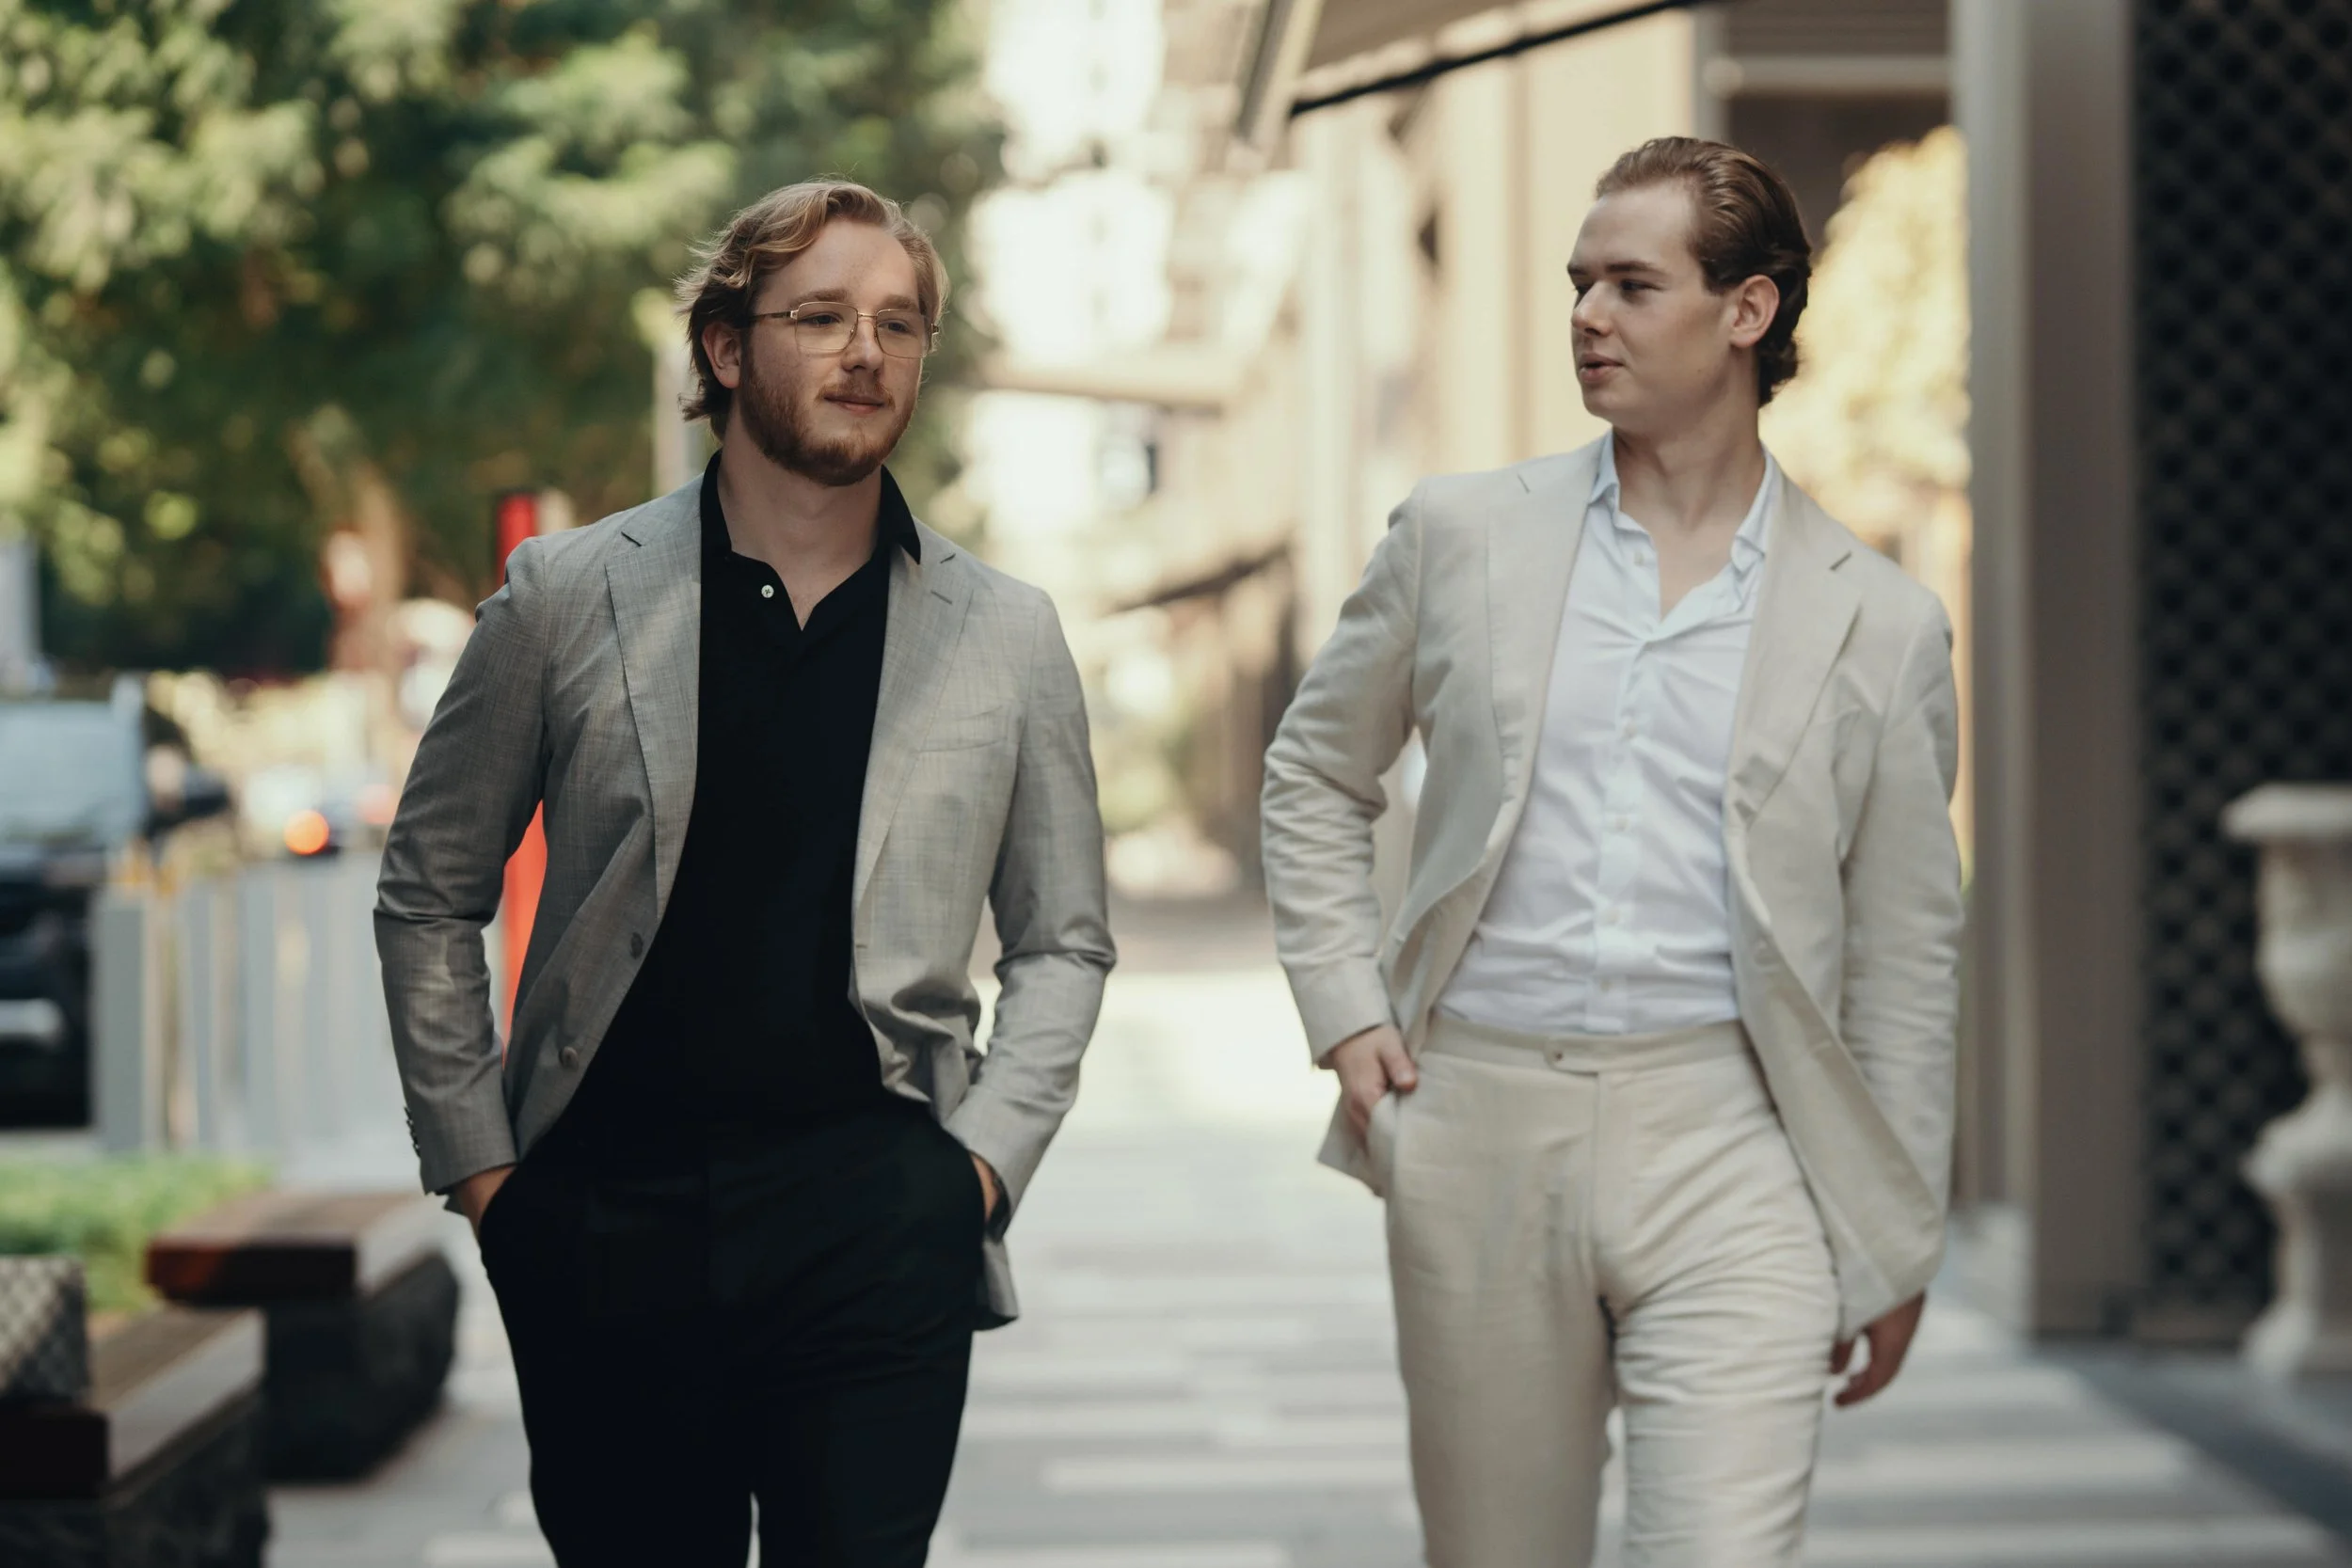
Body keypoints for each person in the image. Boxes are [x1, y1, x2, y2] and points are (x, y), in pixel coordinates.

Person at [376, 179, 1113, 1568]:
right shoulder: (567, 597)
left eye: (899, 323)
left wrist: (975, 1175)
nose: (866, 353)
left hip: (876, 1221)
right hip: (604, 1223)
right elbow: (427, 890)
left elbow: (1064, 938)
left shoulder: (1006, 635)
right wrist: (486, 1172)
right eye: (822, 315)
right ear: (726, 349)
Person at [1260, 137, 1963, 1566]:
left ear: (1748, 312)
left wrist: (1898, 1225)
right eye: (1580, 282)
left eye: (1632, 285)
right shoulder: (1461, 536)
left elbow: (1904, 952)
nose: (1586, 314)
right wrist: (1349, 1013)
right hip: (1479, 1123)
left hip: (1737, 1139)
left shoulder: (1879, 619)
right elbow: (1314, 770)